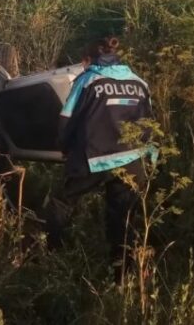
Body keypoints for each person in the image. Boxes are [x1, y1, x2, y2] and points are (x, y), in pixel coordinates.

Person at [44, 36, 156, 283]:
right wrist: (150, 156)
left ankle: (49, 256)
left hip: (93, 158)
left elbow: (66, 120)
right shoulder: (140, 83)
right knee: (123, 219)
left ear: (88, 60)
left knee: (62, 203)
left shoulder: (87, 80)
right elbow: (150, 123)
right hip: (132, 160)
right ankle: (123, 275)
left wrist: (64, 149)